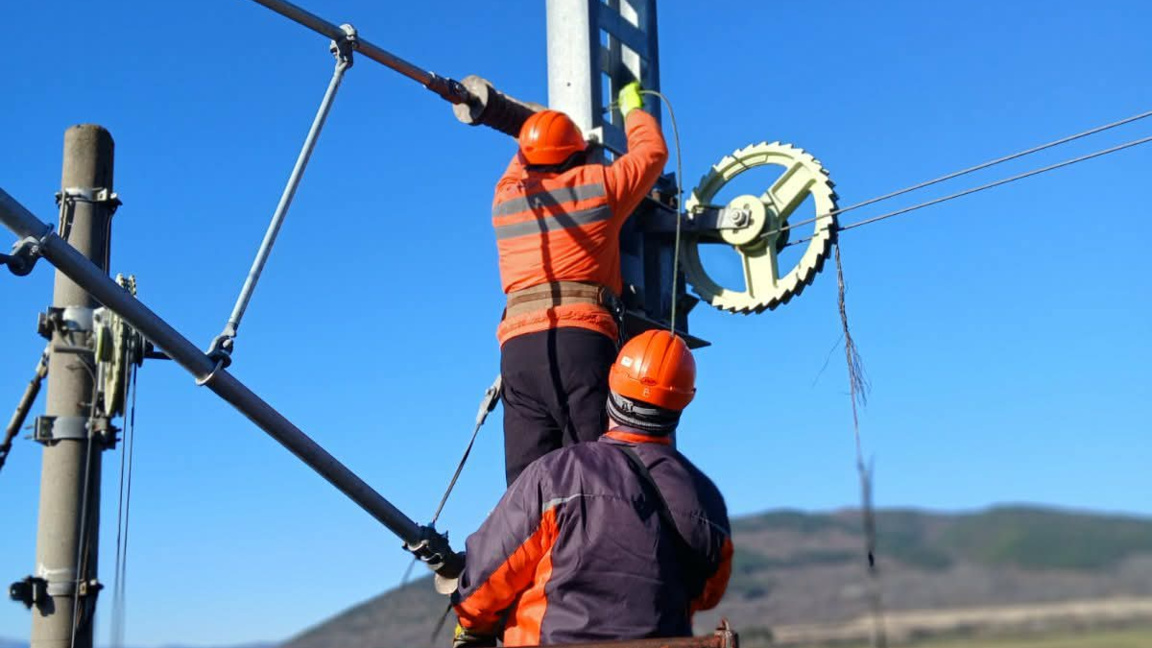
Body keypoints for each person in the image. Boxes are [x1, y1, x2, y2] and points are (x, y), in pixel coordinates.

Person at [450, 330, 733, 647]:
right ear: (683, 401)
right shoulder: (707, 500)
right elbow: (708, 594)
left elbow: (485, 581)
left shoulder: (556, 475)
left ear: (612, 383)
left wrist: (471, 624)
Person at [494, 82, 670, 486]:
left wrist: (534, 127)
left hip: (518, 352)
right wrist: (632, 108)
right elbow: (652, 153)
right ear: (579, 154)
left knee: (528, 488)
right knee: (592, 476)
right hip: (582, 341)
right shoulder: (600, 186)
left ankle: (532, 546)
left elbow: (521, 160)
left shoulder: (505, 198)